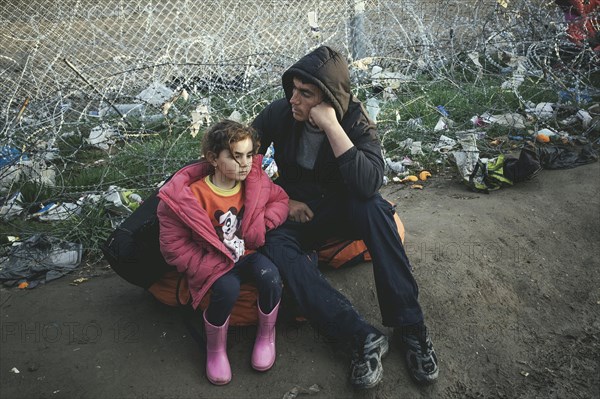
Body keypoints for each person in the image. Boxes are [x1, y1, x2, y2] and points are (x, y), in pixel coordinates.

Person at [252, 46, 439, 389]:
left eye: (305, 93)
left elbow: (368, 183)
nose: (293, 99)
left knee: (377, 210)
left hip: (343, 206)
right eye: (293, 89)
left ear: (328, 99)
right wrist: (281, 198)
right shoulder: (280, 113)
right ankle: (359, 337)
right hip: (299, 209)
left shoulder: (354, 120)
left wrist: (331, 126)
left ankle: (410, 326)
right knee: (272, 242)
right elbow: (244, 162)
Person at [156, 120, 289, 385]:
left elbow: (280, 200)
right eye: (235, 156)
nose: (245, 163)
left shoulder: (255, 182)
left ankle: (266, 335)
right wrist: (200, 265)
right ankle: (216, 350)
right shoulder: (189, 197)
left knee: (271, 276)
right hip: (214, 261)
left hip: (248, 252)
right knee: (227, 290)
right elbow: (173, 245)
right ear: (213, 158)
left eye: (249, 155)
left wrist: (263, 223)